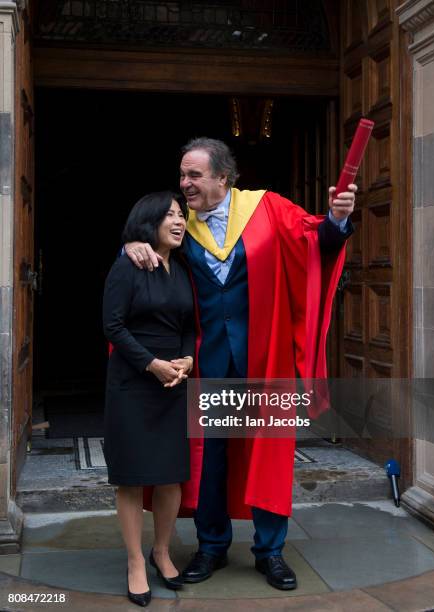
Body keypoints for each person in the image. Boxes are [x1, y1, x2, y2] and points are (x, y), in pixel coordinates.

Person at [125, 138, 356, 591]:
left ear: (223, 178)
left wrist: (339, 218)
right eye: (182, 175)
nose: (183, 184)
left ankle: (270, 552)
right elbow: (142, 251)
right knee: (210, 458)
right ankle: (211, 546)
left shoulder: (267, 208)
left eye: (193, 175)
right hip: (208, 360)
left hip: (265, 358)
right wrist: (132, 246)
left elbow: (318, 242)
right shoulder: (177, 223)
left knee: (270, 452)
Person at [103, 191, 195, 607]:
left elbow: (190, 324)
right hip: (134, 381)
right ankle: (136, 560)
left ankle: (161, 550)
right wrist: (152, 364)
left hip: (173, 383)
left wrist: (188, 358)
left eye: (182, 215)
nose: (179, 221)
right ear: (149, 222)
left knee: (171, 474)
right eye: (170, 216)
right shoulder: (130, 264)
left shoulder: (183, 268)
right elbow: (113, 326)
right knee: (131, 476)